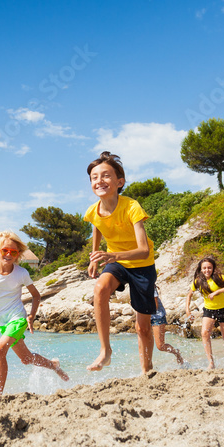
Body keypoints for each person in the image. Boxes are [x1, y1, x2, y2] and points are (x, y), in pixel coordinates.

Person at [83, 151, 156, 374]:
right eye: (94, 177)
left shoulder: (131, 207)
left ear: (119, 182)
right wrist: (95, 255)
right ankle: (106, 351)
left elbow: (143, 251)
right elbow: (97, 226)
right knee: (100, 288)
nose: (99, 181)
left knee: (142, 328)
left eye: (105, 176)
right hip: (117, 262)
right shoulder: (92, 212)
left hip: (142, 265)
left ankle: (147, 369)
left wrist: (112, 256)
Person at [0, 231, 69, 396]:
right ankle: (53, 365)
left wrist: (31, 315)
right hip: (2, 322)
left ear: (17, 254)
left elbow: (36, 295)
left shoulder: (21, 273)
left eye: (13, 252)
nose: (8, 254)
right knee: (26, 359)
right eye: (5, 250)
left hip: (17, 318)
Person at [184, 256, 224, 369]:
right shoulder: (198, 281)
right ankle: (211, 362)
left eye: (209, 268)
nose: (207, 270)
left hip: (223, 309)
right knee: (204, 334)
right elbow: (189, 295)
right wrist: (187, 310)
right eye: (204, 268)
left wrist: (218, 291)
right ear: (200, 269)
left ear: (213, 268)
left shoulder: (219, 277)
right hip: (208, 310)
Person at [151, 284, 184, 365]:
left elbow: (155, 306)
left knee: (160, 346)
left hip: (157, 317)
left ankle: (176, 353)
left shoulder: (150, 286)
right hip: (145, 317)